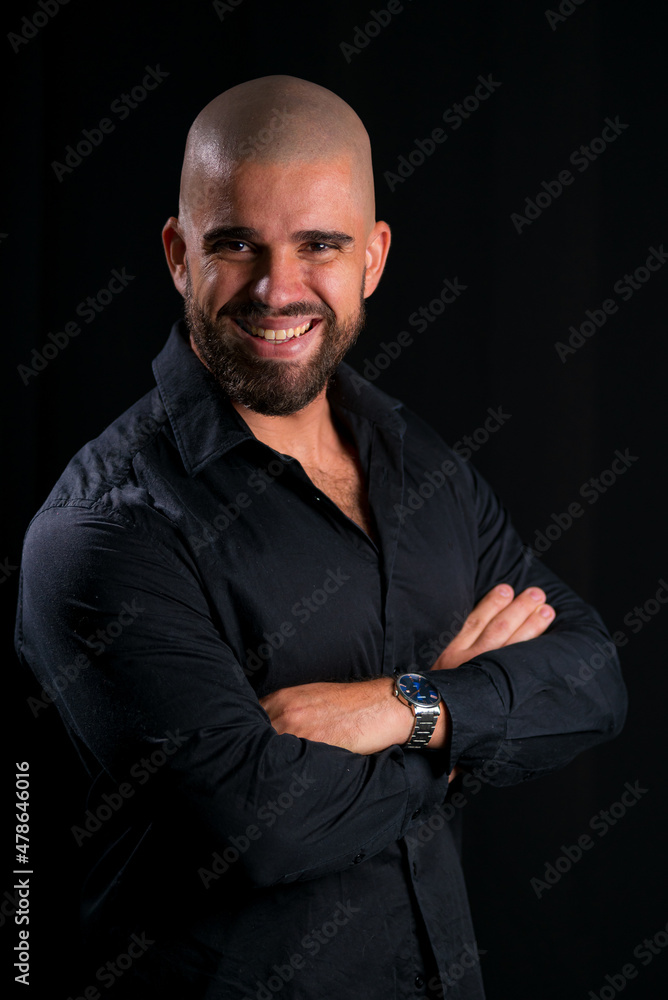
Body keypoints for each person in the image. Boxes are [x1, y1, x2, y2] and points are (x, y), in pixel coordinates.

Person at [15, 75, 627, 999]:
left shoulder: (418, 462)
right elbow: (260, 828)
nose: (278, 289)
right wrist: (463, 734)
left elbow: (591, 677)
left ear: (373, 258)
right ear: (178, 254)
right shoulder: (103, 533)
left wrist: (404, 708)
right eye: (235, 245)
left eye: (319, 246)